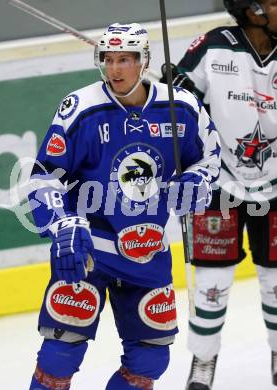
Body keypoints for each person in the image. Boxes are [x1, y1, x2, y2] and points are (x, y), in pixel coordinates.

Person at [27, 22, 220, 390]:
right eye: (109, 60)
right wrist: (63, 224)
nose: (115, 69)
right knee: (59, 355)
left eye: (125, 60)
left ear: (143, 60)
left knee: (150, 359)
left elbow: (209, 159)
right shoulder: (81, 109)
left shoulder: (181, 107)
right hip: (88, 251)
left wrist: (198, 181)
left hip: (148, 253)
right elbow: (43, 179)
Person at [161, 1, 277, 388]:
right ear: (251, 9)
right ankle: (203, 360)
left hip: (276, 188)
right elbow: (178, 99)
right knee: (211, 281)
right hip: (217, 185)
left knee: (276, 281)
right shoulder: (213, 46)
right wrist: (170, 90)